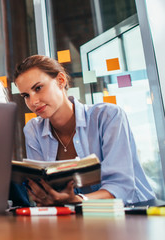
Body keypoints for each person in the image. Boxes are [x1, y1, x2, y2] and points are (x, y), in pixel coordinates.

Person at [13, 55, 155, 206]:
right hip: (78, 216)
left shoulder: (108, 116)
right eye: (26, 95)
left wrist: (79, 201)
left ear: (61, 81)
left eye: (38, 88)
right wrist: (43, 195)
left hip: (135, 211)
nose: (33, 101)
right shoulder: (33, 130)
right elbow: (45, 188)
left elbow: (121, 187)